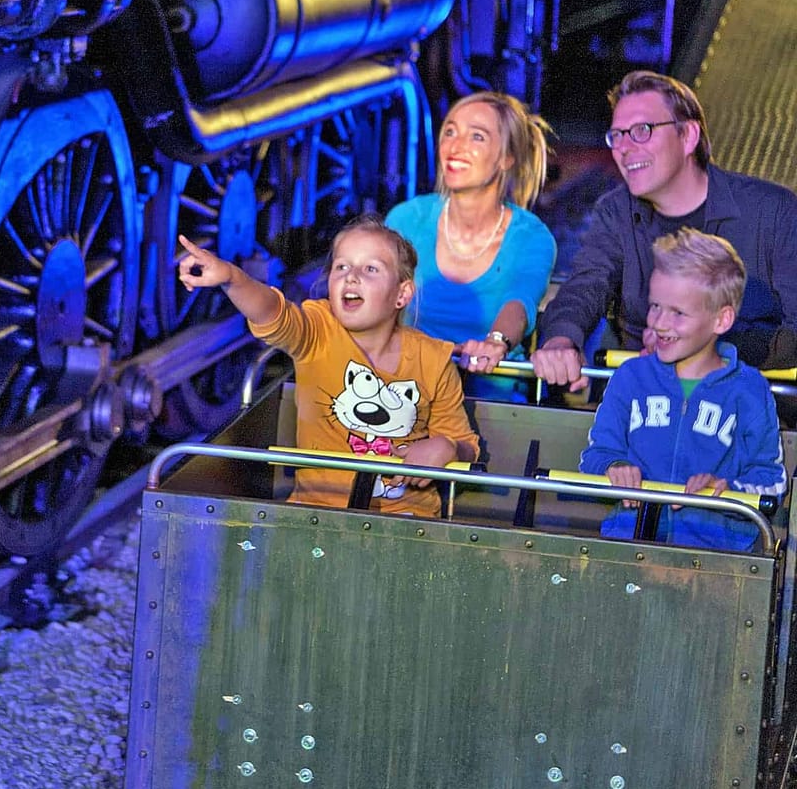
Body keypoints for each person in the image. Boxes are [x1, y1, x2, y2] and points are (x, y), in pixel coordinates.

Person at [177, 214, 479, 517]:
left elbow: (467, 446)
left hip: (408, 520)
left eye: (371, 269)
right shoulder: (318, 331)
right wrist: (232, 278)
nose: (352, 276)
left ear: (402, 294)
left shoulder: (434, 359)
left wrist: (448, 446)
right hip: (318, 514)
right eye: (341, 266)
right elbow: (273, 314)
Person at [533, 70, 797, 392]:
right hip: (647, 404)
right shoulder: (616, 212)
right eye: (617, 135)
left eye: (641, 131)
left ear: (688, 136)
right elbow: (586, 286)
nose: (624, 148)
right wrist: (561, 340)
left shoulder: (774, 211)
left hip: (753, 402)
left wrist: (704, 351)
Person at [579, 228, 787, 552]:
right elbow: (594, 457)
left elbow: (770, 482)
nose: (659, 323)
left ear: (721, 320)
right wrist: (614, 468)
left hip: (717, 554)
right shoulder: (630, 378)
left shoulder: (750, 389)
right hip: (629, 544)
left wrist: (726, 490)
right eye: (655, 306)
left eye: (678, 313)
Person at [385, 90, 557, 393]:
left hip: (493, 398)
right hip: (407, 392)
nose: (456, 146)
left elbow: (520, 300)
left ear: (506, 158)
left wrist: (496, 342)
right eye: (450, 132)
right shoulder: (407, 219)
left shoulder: (531, 236)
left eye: (477, 137)